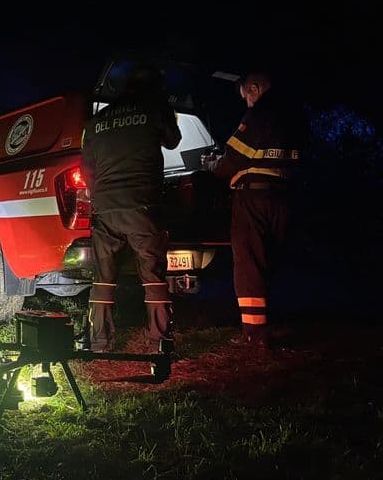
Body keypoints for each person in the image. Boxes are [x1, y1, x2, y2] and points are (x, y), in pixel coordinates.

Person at [81, 63, 182, 353]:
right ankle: (159, 343)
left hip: (105, 209)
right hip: (143, 207)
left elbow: (87, 169)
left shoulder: (96, 122)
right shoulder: (154, 109)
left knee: (103, 277)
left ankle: (100, 342)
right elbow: (173, 142)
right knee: (153, 276)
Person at [202, 70, 307, 347]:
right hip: (284, 197)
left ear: (255, 89)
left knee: (249, 265)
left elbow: (230, 162)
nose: (247, 102)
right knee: (269, 262)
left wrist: (211, 164)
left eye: (246, 96)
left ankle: (254, 333)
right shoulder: (294, 115)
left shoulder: (259, 113)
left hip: (253, 199)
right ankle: (269, 322)